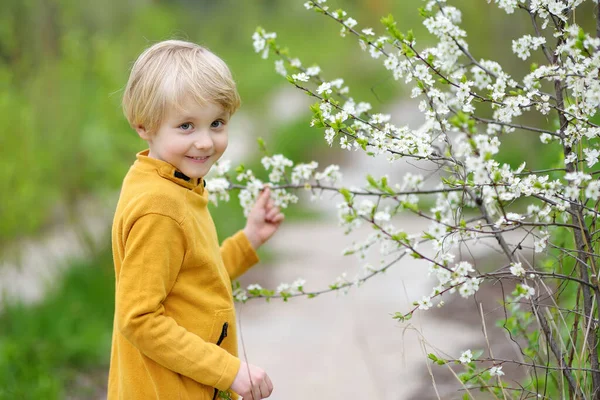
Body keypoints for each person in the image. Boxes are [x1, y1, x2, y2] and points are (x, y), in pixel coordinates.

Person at [107, 39, 282, 400]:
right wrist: (229, 371)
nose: (205, 142)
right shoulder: (160, 207)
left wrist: (247, 240)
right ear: (144, 125)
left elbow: (191, 279)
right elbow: (138, 319)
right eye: (186, 126)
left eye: (216, 123)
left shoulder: (168, 183)